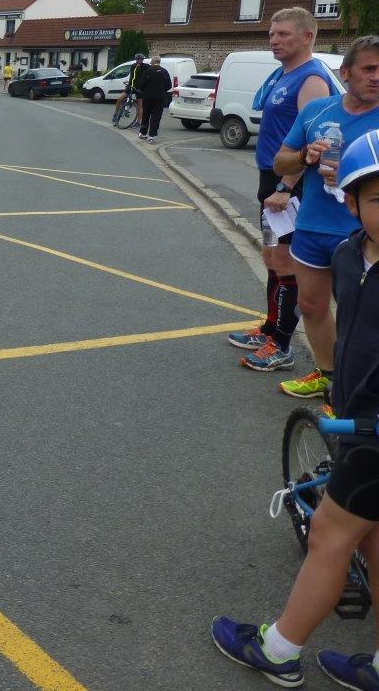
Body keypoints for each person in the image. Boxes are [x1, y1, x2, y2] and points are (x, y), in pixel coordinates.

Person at [211, 128, 379, 690]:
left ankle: (279, 649)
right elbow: (340, 328)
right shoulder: (349, 252)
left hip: (375, 433)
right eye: (378, 198)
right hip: (355, 410)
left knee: (332, 536)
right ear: (350, 202)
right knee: (373, 538)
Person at [269, 35, 379, 399]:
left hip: (362, 233)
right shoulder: (318, 111)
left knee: (361, 320)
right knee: (312, 306)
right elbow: (280, 161)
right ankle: (328, 377)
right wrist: (305, 157)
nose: (376, 77)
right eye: (369, 68)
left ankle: (356, 394)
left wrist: (353, 174)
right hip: (313, 227)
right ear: (346, 72)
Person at [228, 7, 335, 377]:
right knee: (272, 260)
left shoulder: (312, 79)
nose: (274, 40)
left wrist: (285, 188)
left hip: (290, 185)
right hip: (269, 178)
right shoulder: (283, 75)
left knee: (287, 264)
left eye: (284, 34)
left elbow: (314, 138)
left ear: (307, 37)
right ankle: (271, 328)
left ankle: (283, 347)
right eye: (272, 34)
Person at [136, 55, 172, 143]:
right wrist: (162, 91)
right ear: (159, 62)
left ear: (152, 62)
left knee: (146, 115)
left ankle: (143, 133)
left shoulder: (148, 71)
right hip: (160, 98)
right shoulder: (164, 71)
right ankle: (151, 136)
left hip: (148, 97)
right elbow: (169, 85)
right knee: (156, 117)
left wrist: (144, 90)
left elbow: (141, 84)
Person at [112, 53, 146, 126]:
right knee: (120, 98)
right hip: (130, 86)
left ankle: (138, 122)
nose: (139, 61)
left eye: (141, 59)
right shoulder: (133, 66)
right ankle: (115, 114)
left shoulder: (145, 66)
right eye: (138, 59)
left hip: (139, 88)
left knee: (140, 105)